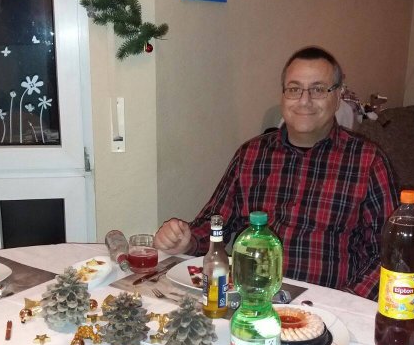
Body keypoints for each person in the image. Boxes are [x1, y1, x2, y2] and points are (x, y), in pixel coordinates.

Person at [154, 46, 398, 298]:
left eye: (318, 89)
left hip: (327, 305)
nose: (304, 100)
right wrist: (187, 240)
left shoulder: (368, 161)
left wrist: (344, 303)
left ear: (337, 97)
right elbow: (215, 224)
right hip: (251, 299)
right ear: (283, 96)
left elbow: (389, 254)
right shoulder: (251, 155)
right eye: (294, 89)